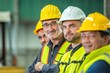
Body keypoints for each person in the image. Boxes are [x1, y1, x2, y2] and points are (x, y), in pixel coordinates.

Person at [29, 4, 71, 73]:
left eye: (53, 23)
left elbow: (64, 70)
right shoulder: (45, 47)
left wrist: (42, 67)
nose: (50, 29)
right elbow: (31, 70)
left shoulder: (70, 45)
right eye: (46, 25)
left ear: (61, 24)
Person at [57, 6, 86, 73]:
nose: (67, 30)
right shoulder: (64, 57)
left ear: (83, 26)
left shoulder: (88, 54)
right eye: (64, 27)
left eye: (72, 26)